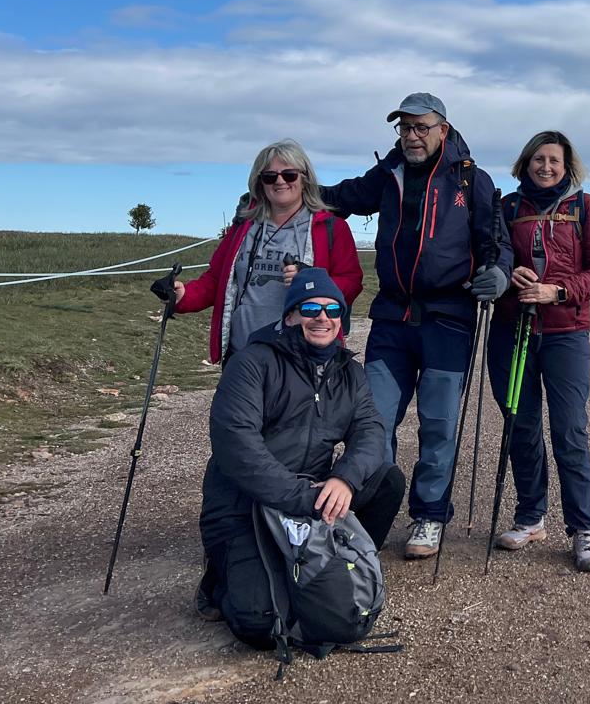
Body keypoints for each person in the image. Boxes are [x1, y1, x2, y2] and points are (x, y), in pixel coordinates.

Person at [320, 92, 511, 560]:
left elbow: (495, 241)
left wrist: (499, 273)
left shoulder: (470, 179)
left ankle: (430, 515)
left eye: (421, 127)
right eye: (404, 127)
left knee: (439, 425)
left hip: (449, 320)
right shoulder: (388, 173)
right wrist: (286, 191)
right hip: (392, 318)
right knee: (374, 419)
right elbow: (343, 198)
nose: (411, 136)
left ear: (442, 130)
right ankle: (373, 512)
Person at [197, 268, 404, 643]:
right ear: (290, 316)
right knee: (260, 624)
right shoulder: (252, 363)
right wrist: (304, 498)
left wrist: (344, 479)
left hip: (312, 493)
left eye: (332, 310)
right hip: (247, 501)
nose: (322, 317)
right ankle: (221, 575)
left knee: (386, 479)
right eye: (310, 308)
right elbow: (236, 445)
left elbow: (371, 432)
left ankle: (343, 559)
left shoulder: (349, 372)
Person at [489, 130, 590, 572]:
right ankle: (530, 518)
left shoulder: (585, 207)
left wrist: (558, 291)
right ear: (525, 163)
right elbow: (489, 257)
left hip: (566, 333)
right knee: (520, 427)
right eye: (538, 159)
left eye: (554, 161)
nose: (545, 167)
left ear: (566, 167)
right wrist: (508, 273)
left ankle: (583, 529)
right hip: (512, 330)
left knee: (569, 431)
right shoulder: (507, 208)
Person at [167, 140, 363, 366]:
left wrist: (311, 280)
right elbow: (216, 280)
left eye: (289, 175)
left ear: (304, 178)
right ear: (259, 183)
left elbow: (351, 283)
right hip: (243, 355)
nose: (280, 181)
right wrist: (183, 295)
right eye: (269, 176)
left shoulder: (331, 227)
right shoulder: (243, 228)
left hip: (303, 361)